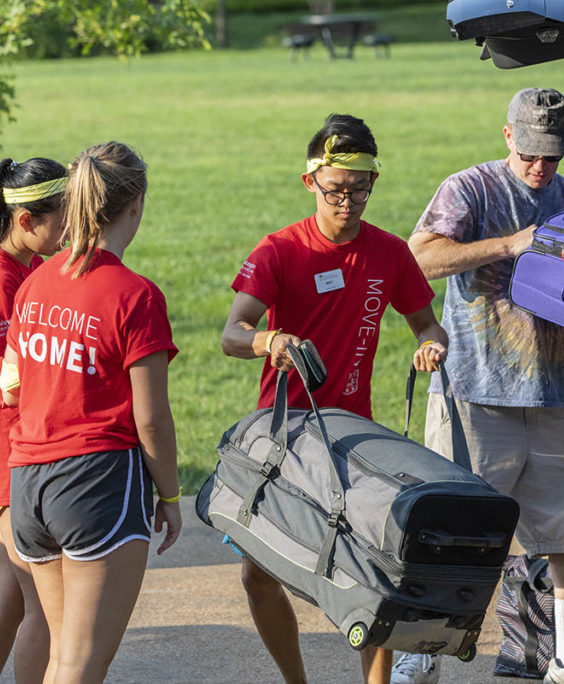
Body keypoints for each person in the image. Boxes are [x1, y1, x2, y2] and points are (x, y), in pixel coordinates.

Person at [400, 88, 564, 684]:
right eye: (531, 152)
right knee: (454, 530)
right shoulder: (470, 189)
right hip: (474, 394)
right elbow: (416, 260)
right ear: (508, 135)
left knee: (563, 532)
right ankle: (419, 651)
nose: (539, 166)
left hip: (551, 393)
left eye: (552, 155)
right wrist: (510, 244)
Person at [221, 113, 449, 684]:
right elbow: (232, 334)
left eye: (360, 188)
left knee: (373, 576)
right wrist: (269, 340)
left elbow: (428, 324)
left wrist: (431, 345)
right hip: (285, 432)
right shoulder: (279, 251)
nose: (347, 201)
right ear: (310, 184)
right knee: (257, 574)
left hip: (354, 434)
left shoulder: (390, 253)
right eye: (335, 189)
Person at [2, 141, 181, 683]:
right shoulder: (135, 295)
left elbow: (11, 385)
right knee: (80, 664)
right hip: (95, 481)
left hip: (28, 482)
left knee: (63, 656)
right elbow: (150, 419)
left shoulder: (35, 281)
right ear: (136, 204)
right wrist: (170, 496)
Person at [0, 157, 66, 684]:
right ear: (25, 221)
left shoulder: (21, 265)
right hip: (7, 458)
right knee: (41, 605)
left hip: (6, 450)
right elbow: (14, 379)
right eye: (60, 221)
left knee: (12, 600)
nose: (69, 232)